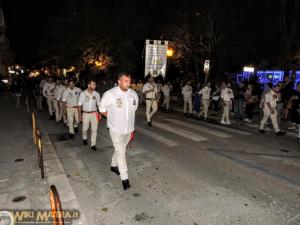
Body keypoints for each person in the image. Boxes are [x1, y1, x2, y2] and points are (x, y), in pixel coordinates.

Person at [99, 73, 138, 190]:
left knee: (120, 149)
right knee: (121, 152)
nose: (128, 83)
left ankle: (113, 165)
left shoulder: (133, 94)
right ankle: (125, 179)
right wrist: (112, 118)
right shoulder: (110, 94)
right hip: (115, 128)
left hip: (128, 128)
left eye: (129, 81)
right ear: (119, 81)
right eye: (125, 80)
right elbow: (102, 109)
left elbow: (133, 110)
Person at [78, 80, 101, 151]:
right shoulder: (83, 94)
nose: (95, 86)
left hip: (94, 114)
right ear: (88, 85)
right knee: (84, 129)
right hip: (85, 114)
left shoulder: (97, 94)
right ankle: (84, 138)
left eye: (95, 84)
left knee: (94, 130)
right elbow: (79, 105)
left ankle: (93, 144)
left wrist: (100, 113)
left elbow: (99, 104)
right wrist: (79, 115)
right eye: (93, 84)